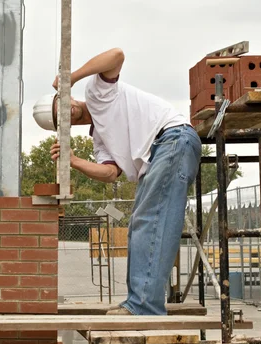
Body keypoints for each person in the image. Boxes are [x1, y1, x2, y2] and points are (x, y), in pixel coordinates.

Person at [32, 48, 201, 315]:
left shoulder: (97, 93)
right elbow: (110, 173)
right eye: (59, 114)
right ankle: (139, 302)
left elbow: (117, 56)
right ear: (61, 125)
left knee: (150, 221)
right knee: (139, 224)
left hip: (172, 139)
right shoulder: (100, 138)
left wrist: (71, 77)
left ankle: (143, 306)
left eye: (62, 103)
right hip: (160, 154)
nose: (66, 110)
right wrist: (73, 161)